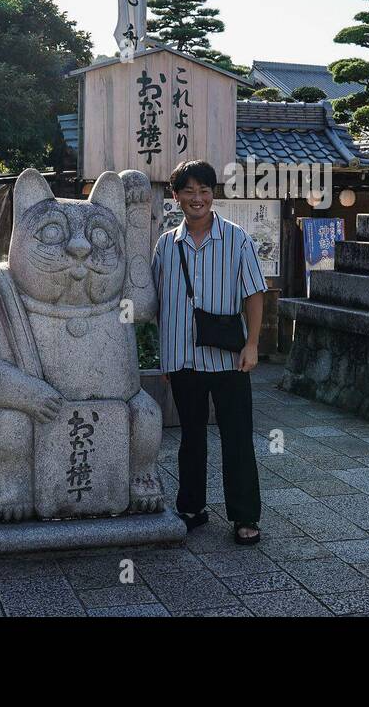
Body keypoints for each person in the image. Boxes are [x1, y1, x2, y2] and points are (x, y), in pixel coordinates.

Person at [151, 159, 267, 546]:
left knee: (237, 437)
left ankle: (245, 516)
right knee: (191, 437)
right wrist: (166, 356)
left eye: (203, 190)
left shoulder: (237, 239)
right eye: (188, 191)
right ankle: (192, 507)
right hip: (183, 360)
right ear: (176, 196)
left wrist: (252, 344)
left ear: (213, 194)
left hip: (229, 358)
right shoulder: (166, 244)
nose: (196, 198)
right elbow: (158, 301)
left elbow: (254, 293)